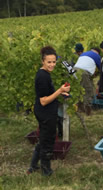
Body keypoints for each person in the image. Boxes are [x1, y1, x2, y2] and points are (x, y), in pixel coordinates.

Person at [27, 46, 70, 176]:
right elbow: (43, 101)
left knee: (44, 138)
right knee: (48, 141)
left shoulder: (45, 74)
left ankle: (33, 166)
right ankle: (46, 170)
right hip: (45, 113)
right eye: (49, 62)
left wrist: (61, 94)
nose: (52, 64)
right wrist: (60, 91)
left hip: (46, 112)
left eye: (53, 61)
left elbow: (47, 95)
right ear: (43, 61)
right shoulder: (42, 76)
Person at [74, 47, 101, 115]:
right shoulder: (97, 56)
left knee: (79, 89)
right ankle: (87, 111)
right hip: (83, 73)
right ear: (97, 52)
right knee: (88, 90)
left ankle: (80, 109)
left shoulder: (84, 53)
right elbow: (101, 69)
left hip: (74, 71)